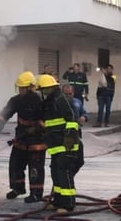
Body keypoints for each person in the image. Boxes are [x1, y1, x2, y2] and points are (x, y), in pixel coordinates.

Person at [0, 71, 46, 203]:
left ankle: (36, 193)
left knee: (35, 167)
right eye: (19, 87)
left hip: (36, 139)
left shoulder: (39, 100)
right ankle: (18, 188)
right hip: (21, 136)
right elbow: (5, 113)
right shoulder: (16, 100)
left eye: (22, 87)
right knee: (15, 164)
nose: (20, 90)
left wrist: (36, 127)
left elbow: (45, 119)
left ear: (30, 87)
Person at [37, 74, 80, 214]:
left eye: (44, 90)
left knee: (64, 172)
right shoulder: (50, 102)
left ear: (51, 88)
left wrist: (69, 136)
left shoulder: (60, 99)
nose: (42, 93)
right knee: (56, 172)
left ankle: (68, 204)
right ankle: (58, 200)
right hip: (55, 145)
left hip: (65, 143)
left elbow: (72, 118)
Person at [61, 84, 88, 175]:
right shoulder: (58, 104)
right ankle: (65, 179)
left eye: (70, 94)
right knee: (66, 162)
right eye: (66, 94)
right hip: (64, 136)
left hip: (76, 135)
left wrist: (84, 117)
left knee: (79, 161)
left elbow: (84, 113)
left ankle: (69, 176)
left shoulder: (77, 102)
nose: (68, 96)